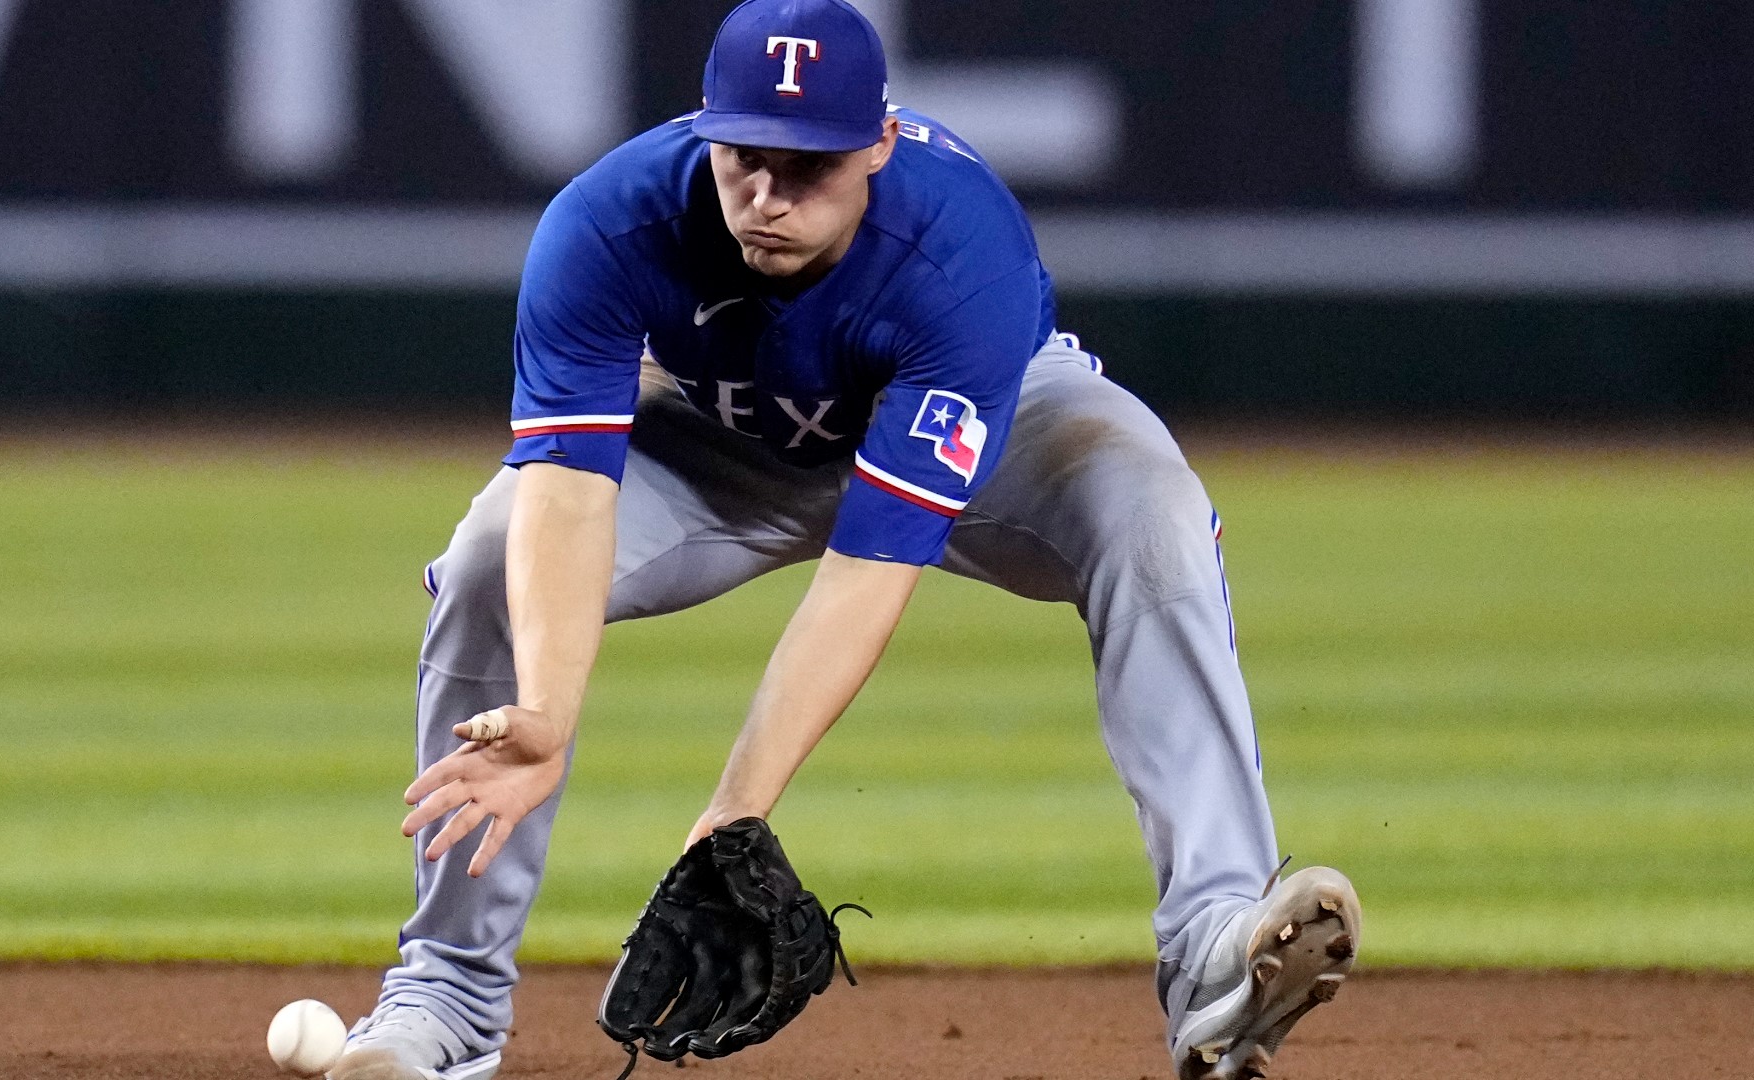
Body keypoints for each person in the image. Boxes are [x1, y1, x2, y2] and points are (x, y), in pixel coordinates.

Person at [330, 2, 1360, 1078]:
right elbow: (567, 489)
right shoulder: (609, 222)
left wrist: (733, 813)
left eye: (806, 166)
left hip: (980, 421)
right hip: (722, 436)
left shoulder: (958, 247)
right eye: (743, 158)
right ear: (700, 127)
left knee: (1154, 516)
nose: (766, 197)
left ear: (878, 142)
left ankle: (1215, 955)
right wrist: (544, 706)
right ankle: (446, 996)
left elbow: (871, 565)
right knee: (496, 557)